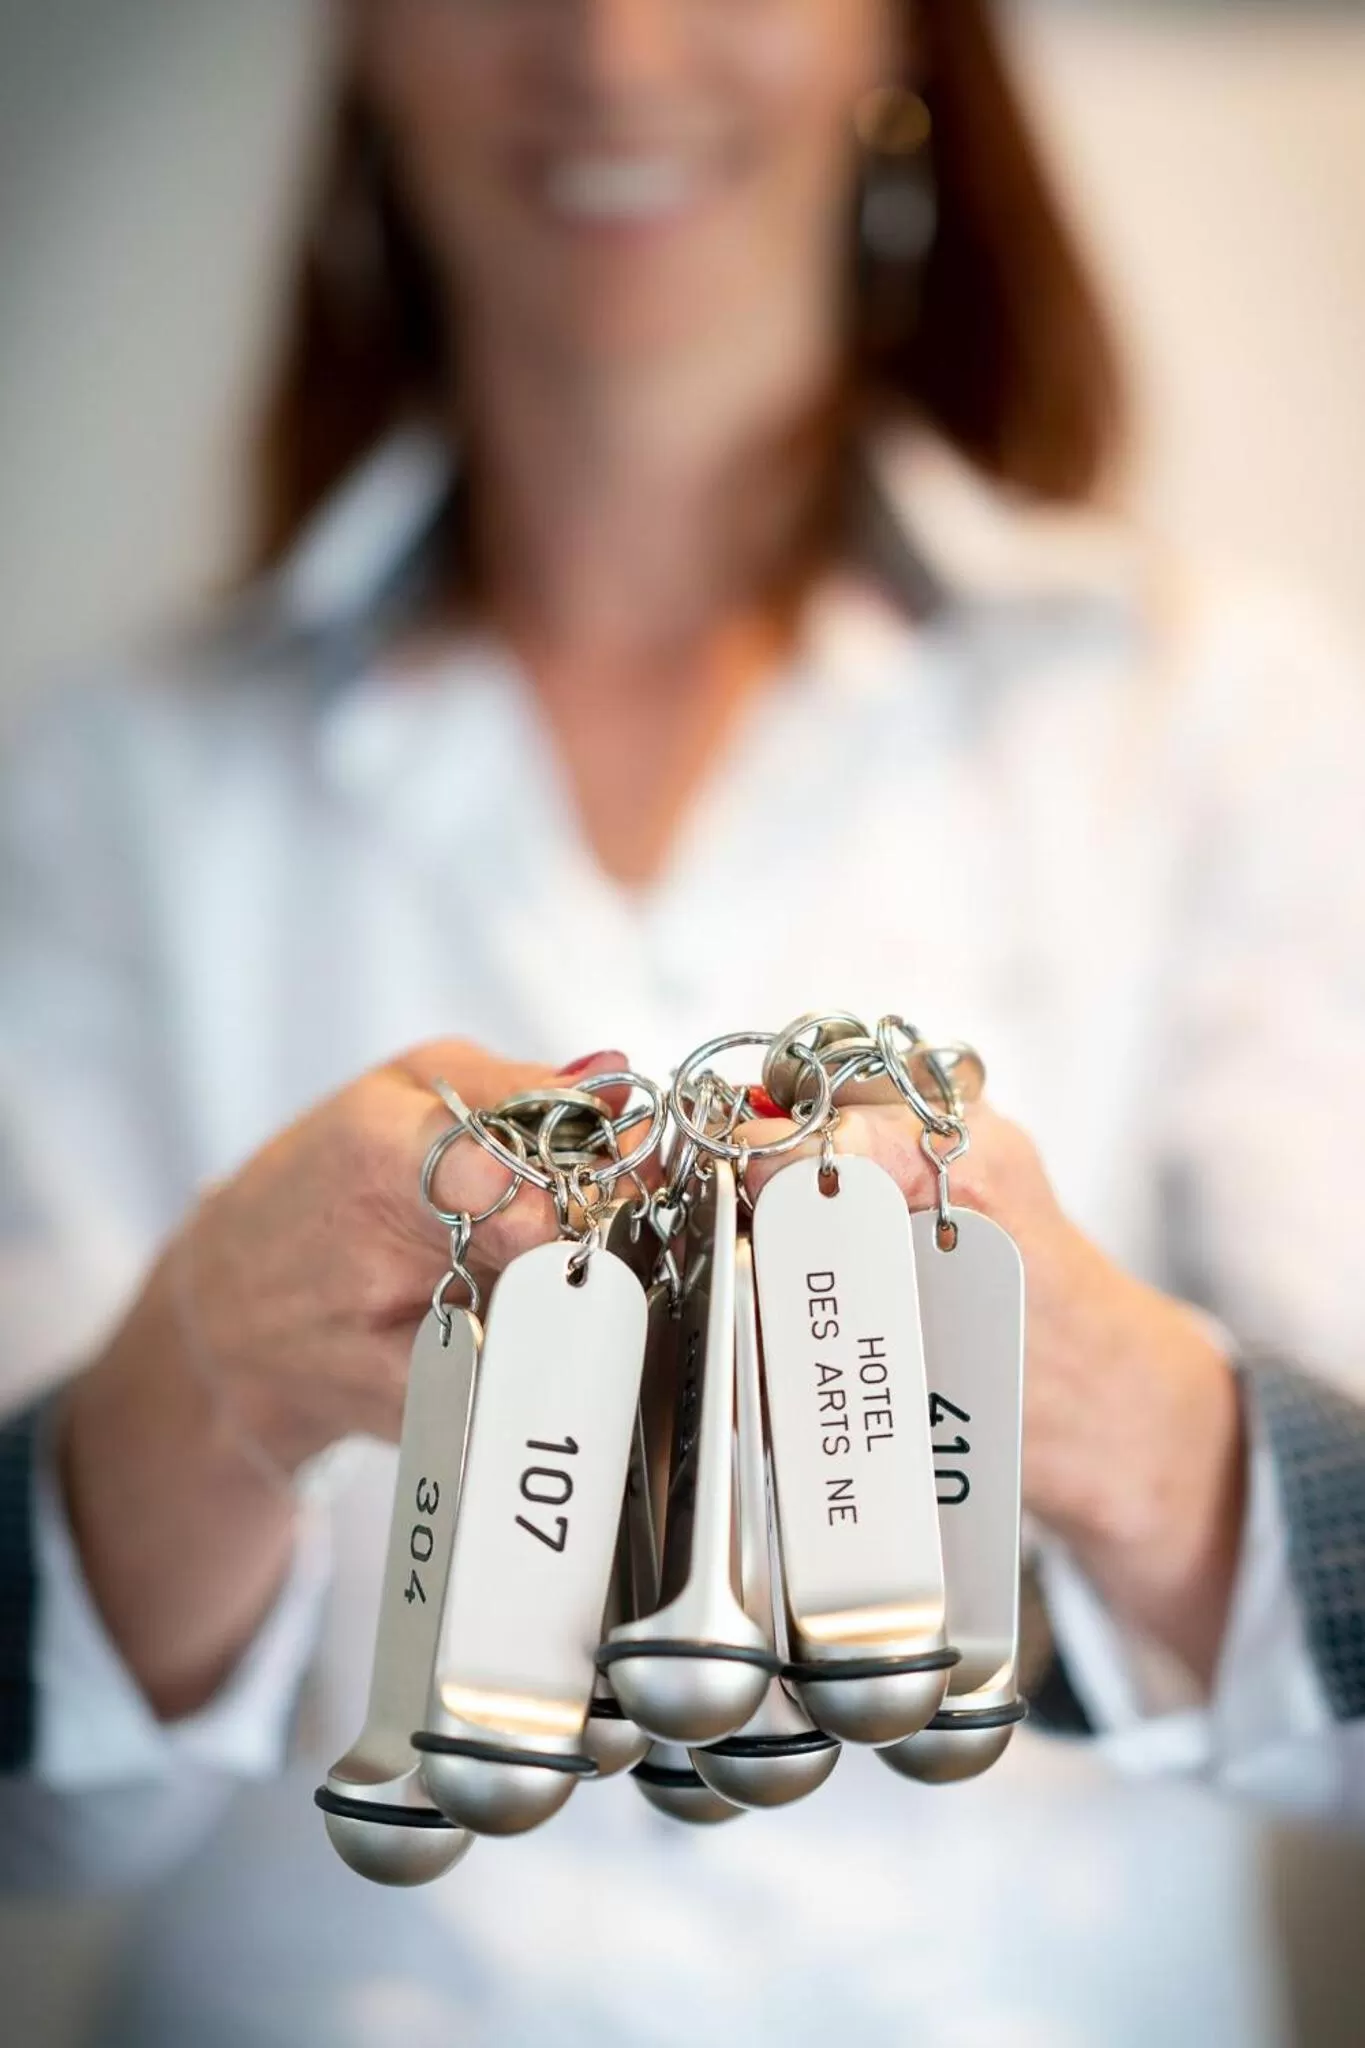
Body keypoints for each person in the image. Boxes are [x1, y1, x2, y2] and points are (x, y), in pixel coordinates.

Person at [0, 0, 1362, 2038]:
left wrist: (1116, 1416)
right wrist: (200, 1373)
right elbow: (29, 1824)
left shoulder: (1226, 720)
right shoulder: (105, 781)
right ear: (367, 39)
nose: (613, 51)